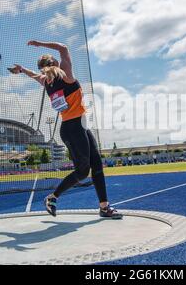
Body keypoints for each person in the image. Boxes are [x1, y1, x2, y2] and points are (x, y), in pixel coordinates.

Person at [9, 40, 122, 219]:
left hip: (78, 127)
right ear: (54, 62)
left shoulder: (45, 81)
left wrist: (22, 69)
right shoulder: (66, 74)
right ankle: (52, 197)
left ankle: (104, 207)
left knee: (97, 165)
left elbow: (33, 75)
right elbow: (63, 48)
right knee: (83, 171)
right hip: (73, 128)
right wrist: (38, 44)